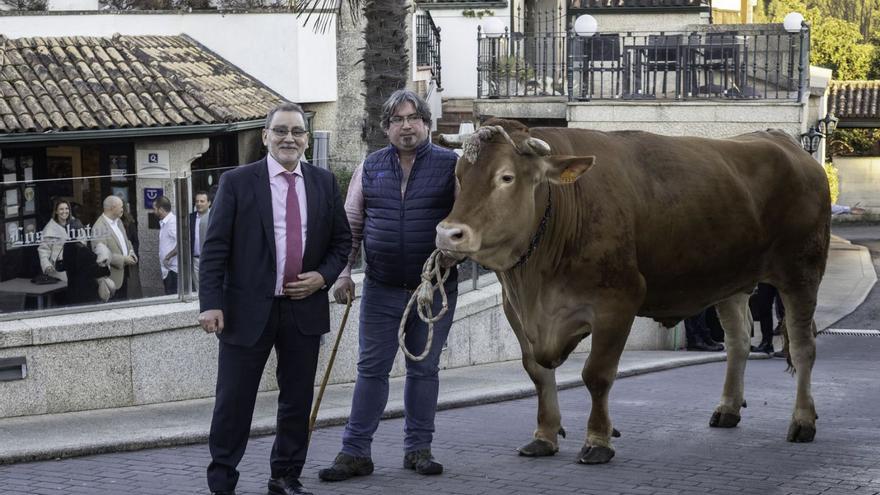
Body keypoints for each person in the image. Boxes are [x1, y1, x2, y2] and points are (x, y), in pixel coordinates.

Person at [198, 101, 351, 495]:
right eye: (280, 130)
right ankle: (222, 483)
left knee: (297, 402)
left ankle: (285, 476)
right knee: (233, 402)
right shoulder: (237, 182)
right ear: (265, 136)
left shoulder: (323, 182)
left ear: (305, 139)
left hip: (304, 310)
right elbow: (214, 248)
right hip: (245, 311)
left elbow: (341, 242)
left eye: (297, 131)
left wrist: (322, 276)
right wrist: (210, 303)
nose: (289, 138)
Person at [319, 89, 459, 483]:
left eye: (413, 118)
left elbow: (467, 223)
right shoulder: (371, 166)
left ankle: (418, 450)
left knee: (424, 369)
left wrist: (455, 255)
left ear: (427, 124)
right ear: (385, 128)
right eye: (397, 120)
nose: (406, 126)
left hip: (432, 289)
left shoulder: (452, 166)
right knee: (371, 370)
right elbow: (352, 226)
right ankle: (355, 452)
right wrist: (344, 274)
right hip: (380, 288)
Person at [91, 195, 137, 300]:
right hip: (111, 280)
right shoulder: (99, 227)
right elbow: (101, 256)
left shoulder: (119, 221)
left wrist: (131, 252)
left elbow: (126, 241)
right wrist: (124, 259)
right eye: (120, 207)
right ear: (112, 208)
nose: (123, 209)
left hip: (123, 274)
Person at [37, 199, 81, 284]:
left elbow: (83, 242)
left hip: (76, 265)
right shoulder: (50, 229)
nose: (64, 211)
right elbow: (43, 250)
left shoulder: (76, 223)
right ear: (56, 211)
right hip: (58, 268)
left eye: (66, 208)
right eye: (61, 209)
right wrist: (47, 266)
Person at [154, 196, 178, 295]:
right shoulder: (165, 222)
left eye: (154, 208)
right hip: (167, 269)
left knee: (172, 298)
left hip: (173, 270)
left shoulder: (172, 222)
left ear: (161, 209)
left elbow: (182, 243)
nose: (153, 210)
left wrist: (168, 257)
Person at [190, 190, 211, 290]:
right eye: (197, 201)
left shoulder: (215, 217)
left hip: (211, 260)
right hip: (195, 261)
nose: (199, 204)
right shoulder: (190, 218)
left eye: (202, 201)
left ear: (209, 203)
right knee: (199, 290)